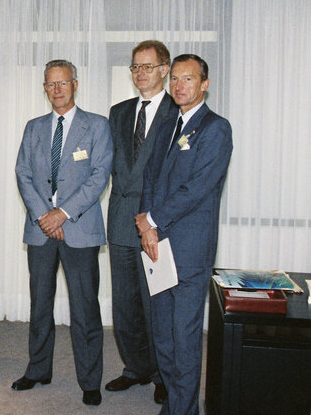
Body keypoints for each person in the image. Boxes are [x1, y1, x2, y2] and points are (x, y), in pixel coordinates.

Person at [135, 54, 232, 415]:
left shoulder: (216, 129)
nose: (179, 86)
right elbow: (149, 180)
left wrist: (152, 220)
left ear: (204, 84)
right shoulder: (165, 127)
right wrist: (146, 225)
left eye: (188, 79)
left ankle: (184, 410)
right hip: (156, 244)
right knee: (163, 336)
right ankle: (175, 404)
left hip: (189, 249)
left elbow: (197, 188)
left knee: (185, 337)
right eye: (174, 78)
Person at [13, 60, 113, 406]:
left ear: (75, 84)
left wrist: (62, 214)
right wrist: (44, 215)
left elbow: (100, 175)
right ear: (44, 88)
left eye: (63, 83)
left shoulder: (96, 125)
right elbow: (22, 173)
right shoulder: (33, 127)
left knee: (85, 308)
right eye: (50, 84)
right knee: (40, 304)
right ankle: (38, 369)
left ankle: (90, 381)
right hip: (40, 230)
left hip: (79, 229)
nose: (57, 89)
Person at [105, 40, 177, 404]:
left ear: (165, 69)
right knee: (126, 303)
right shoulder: (118, 112)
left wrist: (155, 219)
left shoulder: (177, 113)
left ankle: (164, 374)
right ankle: (135, 368)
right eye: (135, 67)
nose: (140, 73)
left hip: (156, 224)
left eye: (148, 66)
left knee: (158, 304)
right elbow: (105, 166)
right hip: (119, 221)